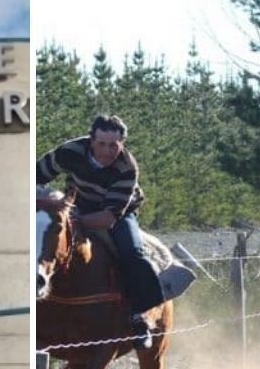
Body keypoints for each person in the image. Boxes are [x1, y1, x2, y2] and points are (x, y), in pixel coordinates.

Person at [36, 115, 164, 350]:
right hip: (75, 205)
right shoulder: (70, 151)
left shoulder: (127, 167)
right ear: (91, 140)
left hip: (116, 212)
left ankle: (139, 317)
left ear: (122, 144)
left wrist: (73, 222)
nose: (107, 151)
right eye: (102, 143)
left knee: (132, 252)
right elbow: (35, 175)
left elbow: (108, 218)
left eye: (113, 145)